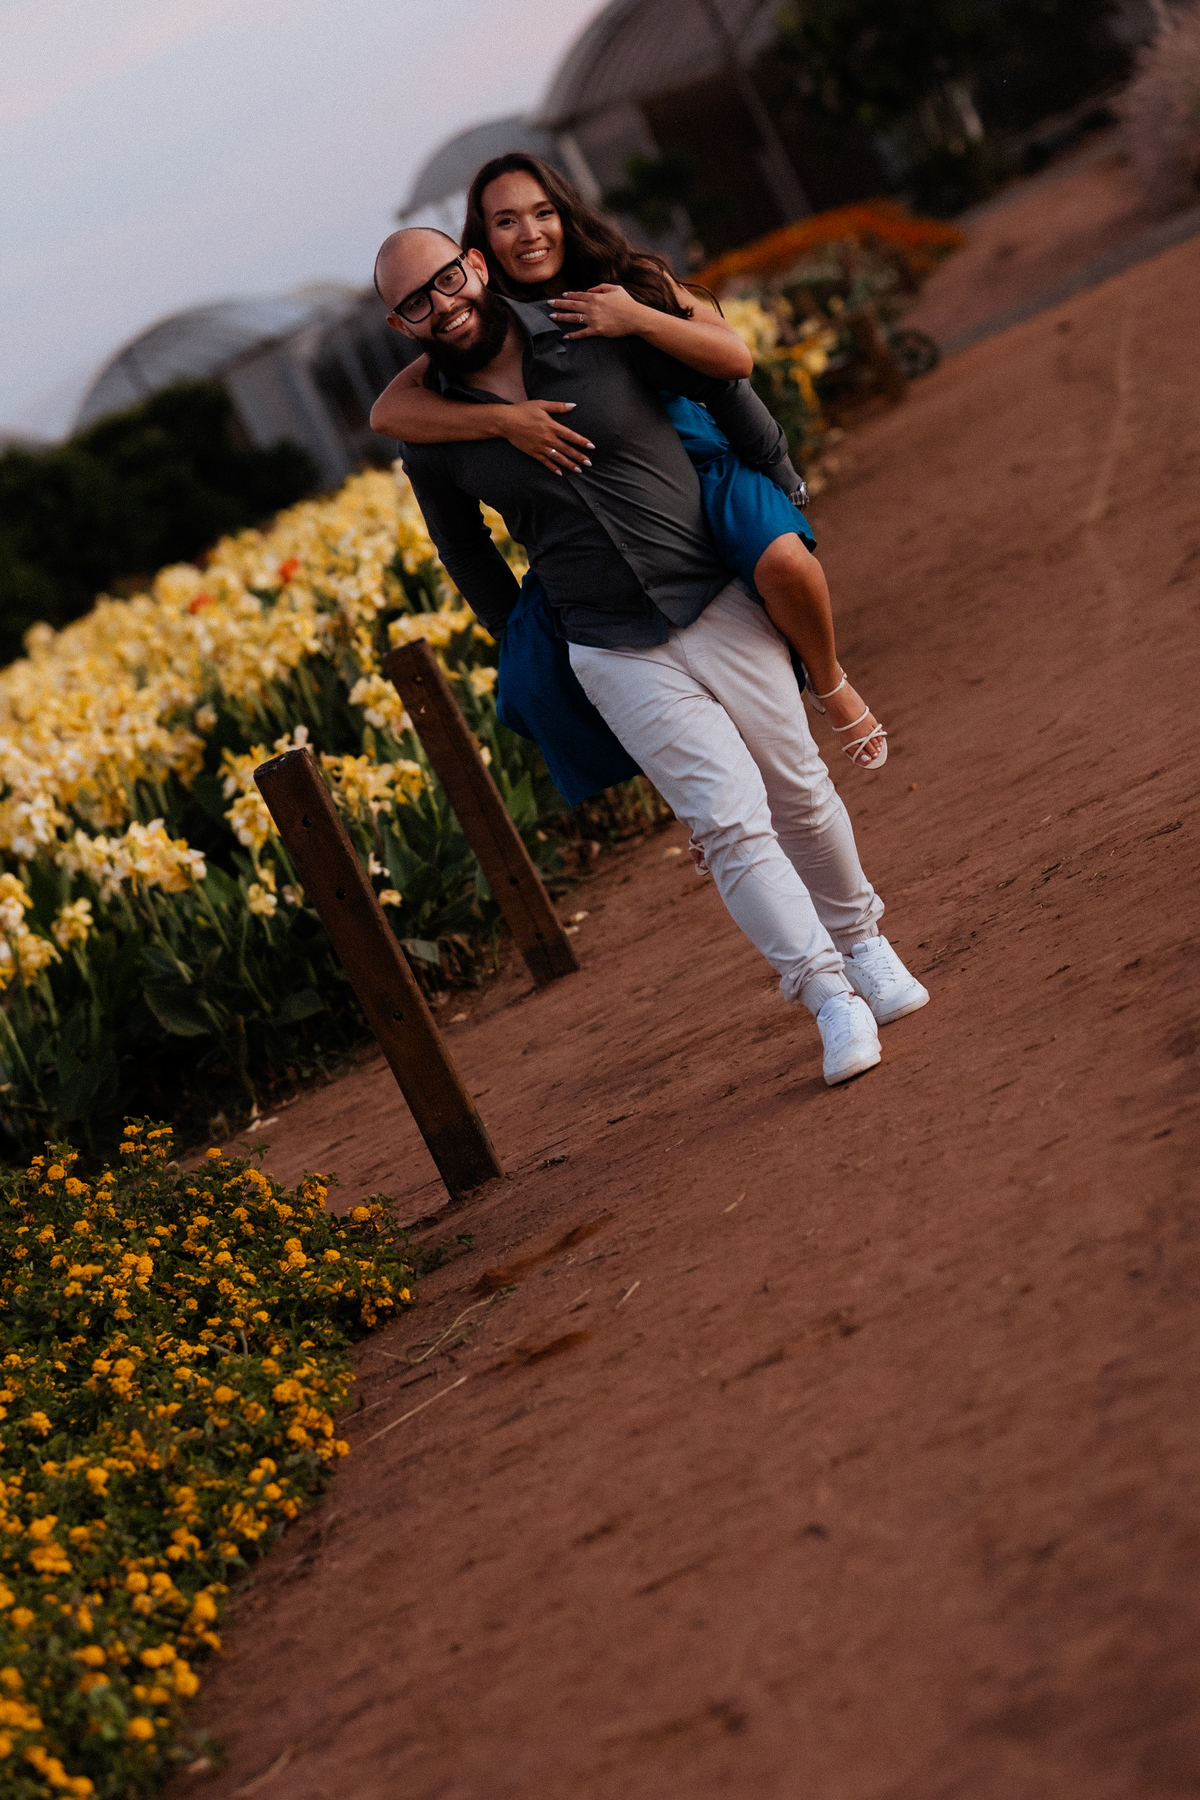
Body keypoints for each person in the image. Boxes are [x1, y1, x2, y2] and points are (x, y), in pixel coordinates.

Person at [371, 226, 930, 1086]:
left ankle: (865, 945)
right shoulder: (433, 432)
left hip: (715, 594)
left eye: (447, 279)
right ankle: (827, 997)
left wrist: (778, 480)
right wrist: (522, 635)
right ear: (400, 324)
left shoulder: (590, 328)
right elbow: (466, 551)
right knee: (726, 825)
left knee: (798, 790)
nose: (441, 305)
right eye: (416, 302)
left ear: (475, 266)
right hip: (608, 644)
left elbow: (720, 380)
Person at [371, 154, 886, 781]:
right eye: (506, 221)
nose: (529, 233)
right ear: (481, 248)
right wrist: (506, 421)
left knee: (783, 562)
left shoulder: (626, 277)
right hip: (613, 500)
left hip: (698, 462)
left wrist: (636, 316)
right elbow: (387, 411)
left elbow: (730, 367)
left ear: (564, 214)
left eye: (542, 213)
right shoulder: (476, 319)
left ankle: (830, 683)